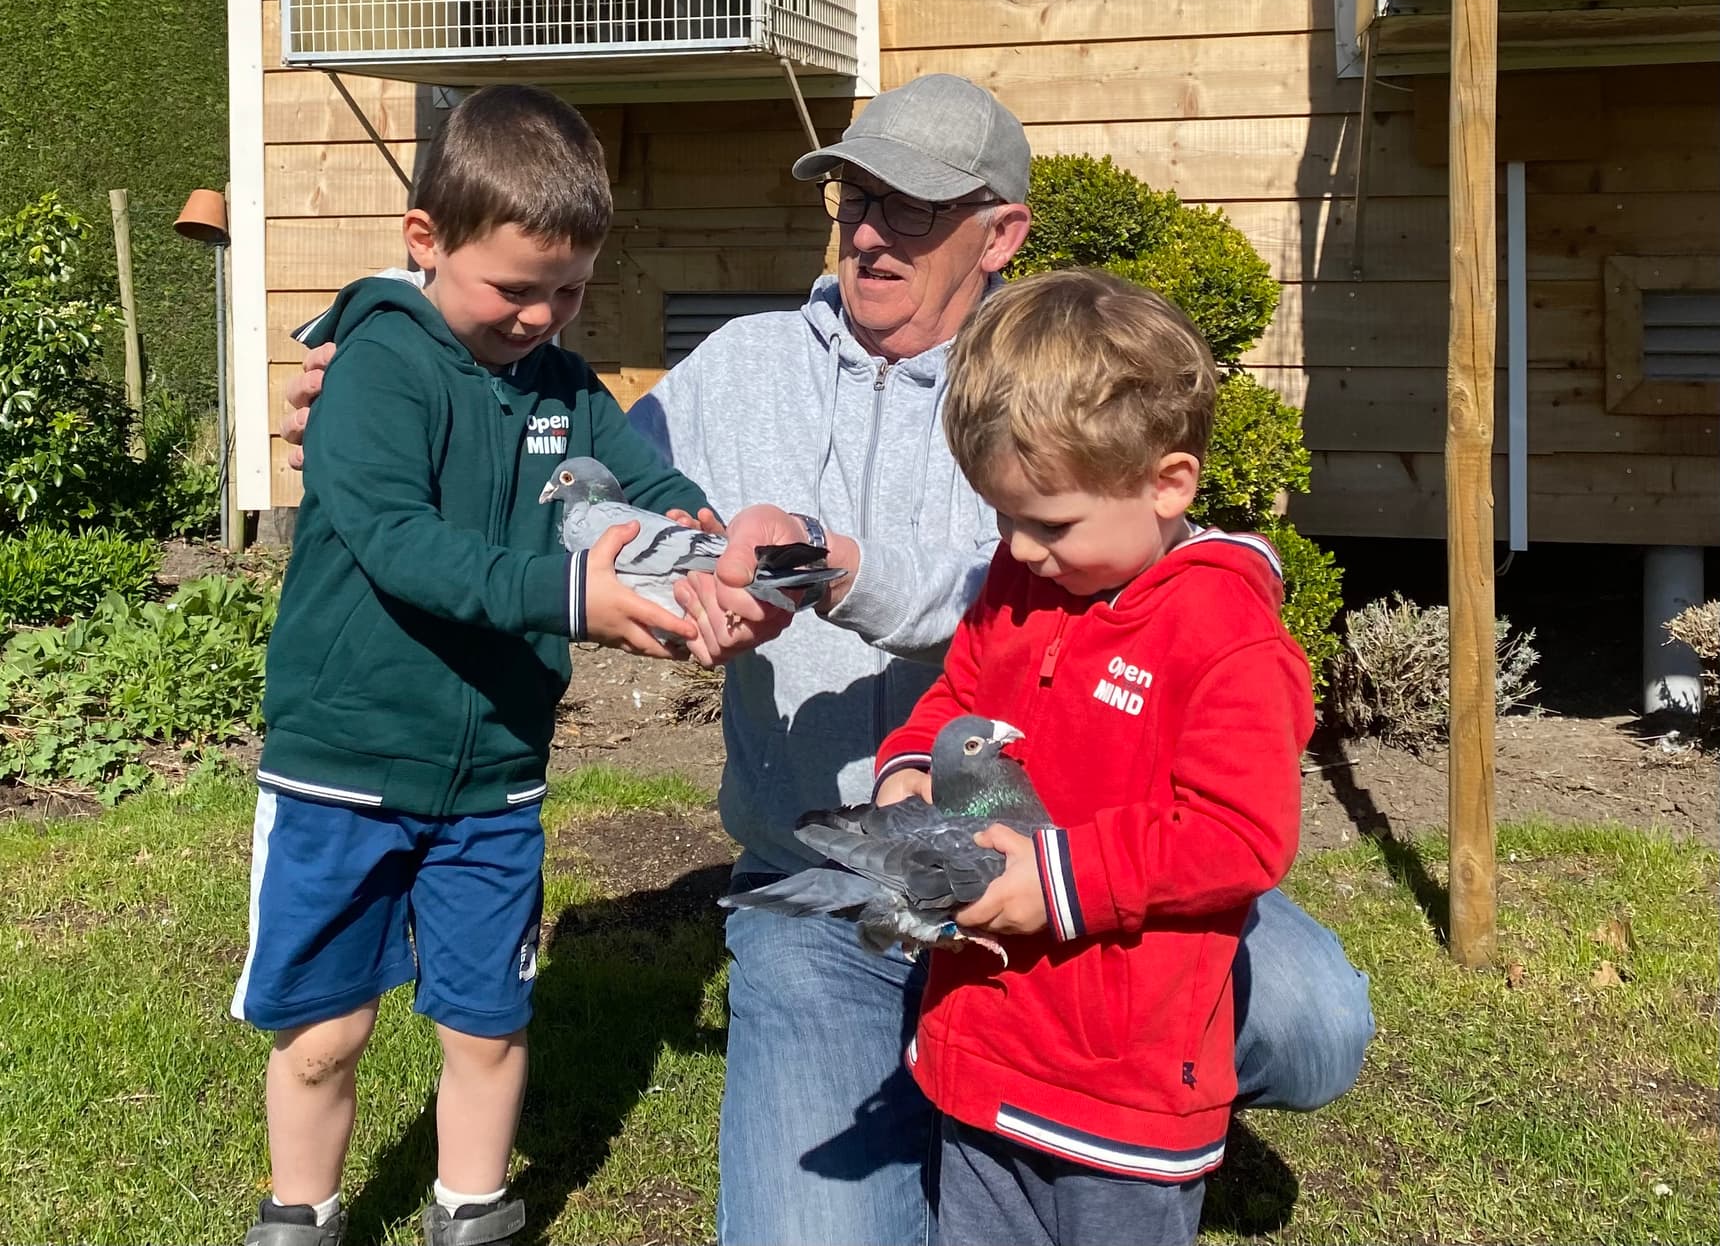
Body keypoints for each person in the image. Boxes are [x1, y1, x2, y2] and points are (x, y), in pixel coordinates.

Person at [282, 73, 1374, 1246]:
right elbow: (581, 492)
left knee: (1313, 1020)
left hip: (1049, 864)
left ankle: (1099, 1080)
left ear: (1000, 232)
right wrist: (412, 403)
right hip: (830, 877)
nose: (868, 231)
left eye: (911, 207)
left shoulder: (1051, 382)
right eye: (854, 197)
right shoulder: (742, 364)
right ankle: (965, 1070)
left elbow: (1100, 587)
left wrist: (837, 570)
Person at [236, 85, 728, 1246]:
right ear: (426, 238)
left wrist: (710, 541)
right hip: (343, 765)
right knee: (325, 1032)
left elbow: (646, 482)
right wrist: (572, 595)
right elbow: (403, 546)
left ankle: (473, 1209)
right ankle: (301, 1213)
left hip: (494, 777)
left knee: (488, 1018)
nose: (542, 314)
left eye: (571, 289)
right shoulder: (374, 368)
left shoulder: (564, 384)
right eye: (515, 287)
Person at [873, 268, 1314, 1246]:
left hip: (1122, 1081)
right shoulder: (1022, 579)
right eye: (1002, 518)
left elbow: (1239, 835)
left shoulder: (1224, 634)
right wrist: (909, 771)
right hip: (982, 1043)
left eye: (1050, 524)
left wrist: (1058, 879)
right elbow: (957, 698)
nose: (1021, 550)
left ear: (1168, 483)